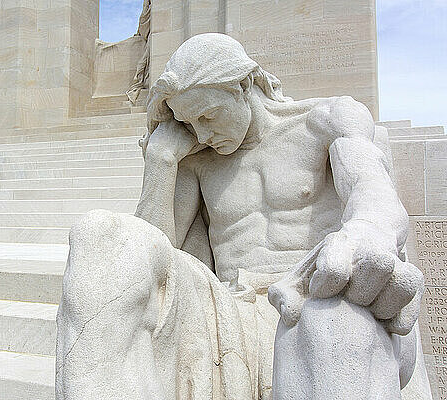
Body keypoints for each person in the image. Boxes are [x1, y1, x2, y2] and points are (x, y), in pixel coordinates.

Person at [56, 33, 430, 400]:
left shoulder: (326, 120)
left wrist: (365, 231)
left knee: (334, 321)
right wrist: (161, 161)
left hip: (314, 297)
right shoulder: (198, 160)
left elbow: (373, 188)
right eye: (189, 124)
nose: (201, 133)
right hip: (233, 312)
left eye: (208, 115)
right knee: (99, 235)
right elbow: (151, 258)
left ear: (244, 84)